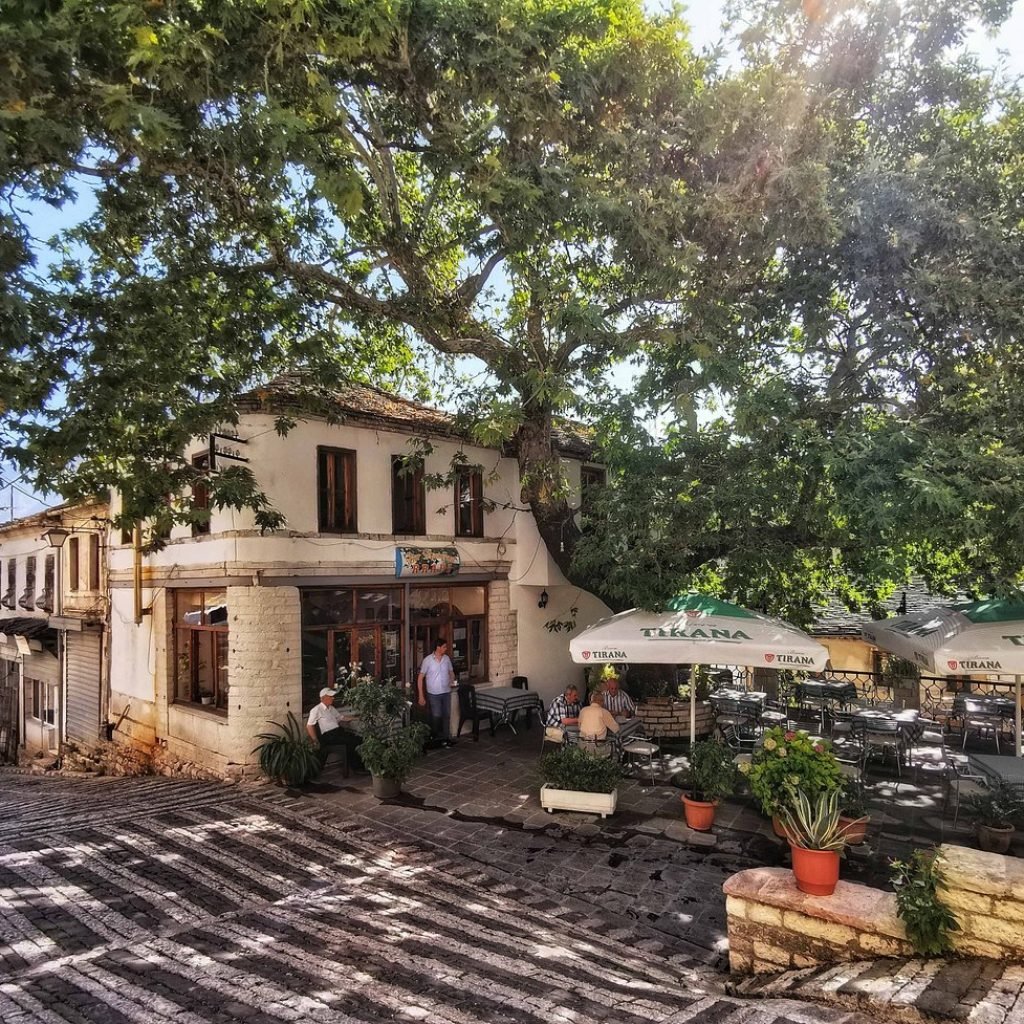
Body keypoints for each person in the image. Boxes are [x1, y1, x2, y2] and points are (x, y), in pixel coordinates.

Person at [306, 687, 364, 771]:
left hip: (338, 732)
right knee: (352, 742)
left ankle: (362, 766)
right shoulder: (316, 710)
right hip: (328, 736)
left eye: (333, 696)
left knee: (359, 739)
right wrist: (315, 740)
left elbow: (341, 717)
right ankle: (357, 768)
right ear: (323, 698)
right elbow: (309, 725)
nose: (333, 698)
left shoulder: (331, 708)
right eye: (330, 696)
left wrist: (356, 718)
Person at [417, 638, 457, 747]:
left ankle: (445, 738)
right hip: (434, 693)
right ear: (438, 647)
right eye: (444, 646)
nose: (446, 648)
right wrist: (421, 695)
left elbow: (451, 672)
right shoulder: (428, 660)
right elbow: (420, 678)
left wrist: (452, 680)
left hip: (446, 692)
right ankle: (434, 735)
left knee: (446, 715)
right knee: (436, 715)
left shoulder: (447, 659)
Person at [577, 690, 619, 758]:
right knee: (615, 745)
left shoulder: (583, 710)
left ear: (591, 701)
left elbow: (579, 727)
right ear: (602, 701)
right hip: (597, 748)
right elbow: (616, 729)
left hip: (582, 746)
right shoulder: (603, 712)